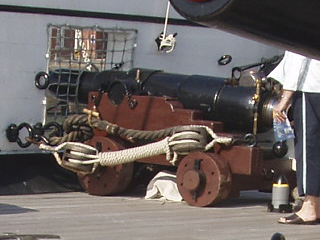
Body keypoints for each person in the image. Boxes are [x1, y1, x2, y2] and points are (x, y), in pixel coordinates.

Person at [269, 50, 320, 224]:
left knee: (308, 146)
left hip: (311, 87)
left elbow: (299, 57)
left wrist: (285, 98)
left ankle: (310, 206)